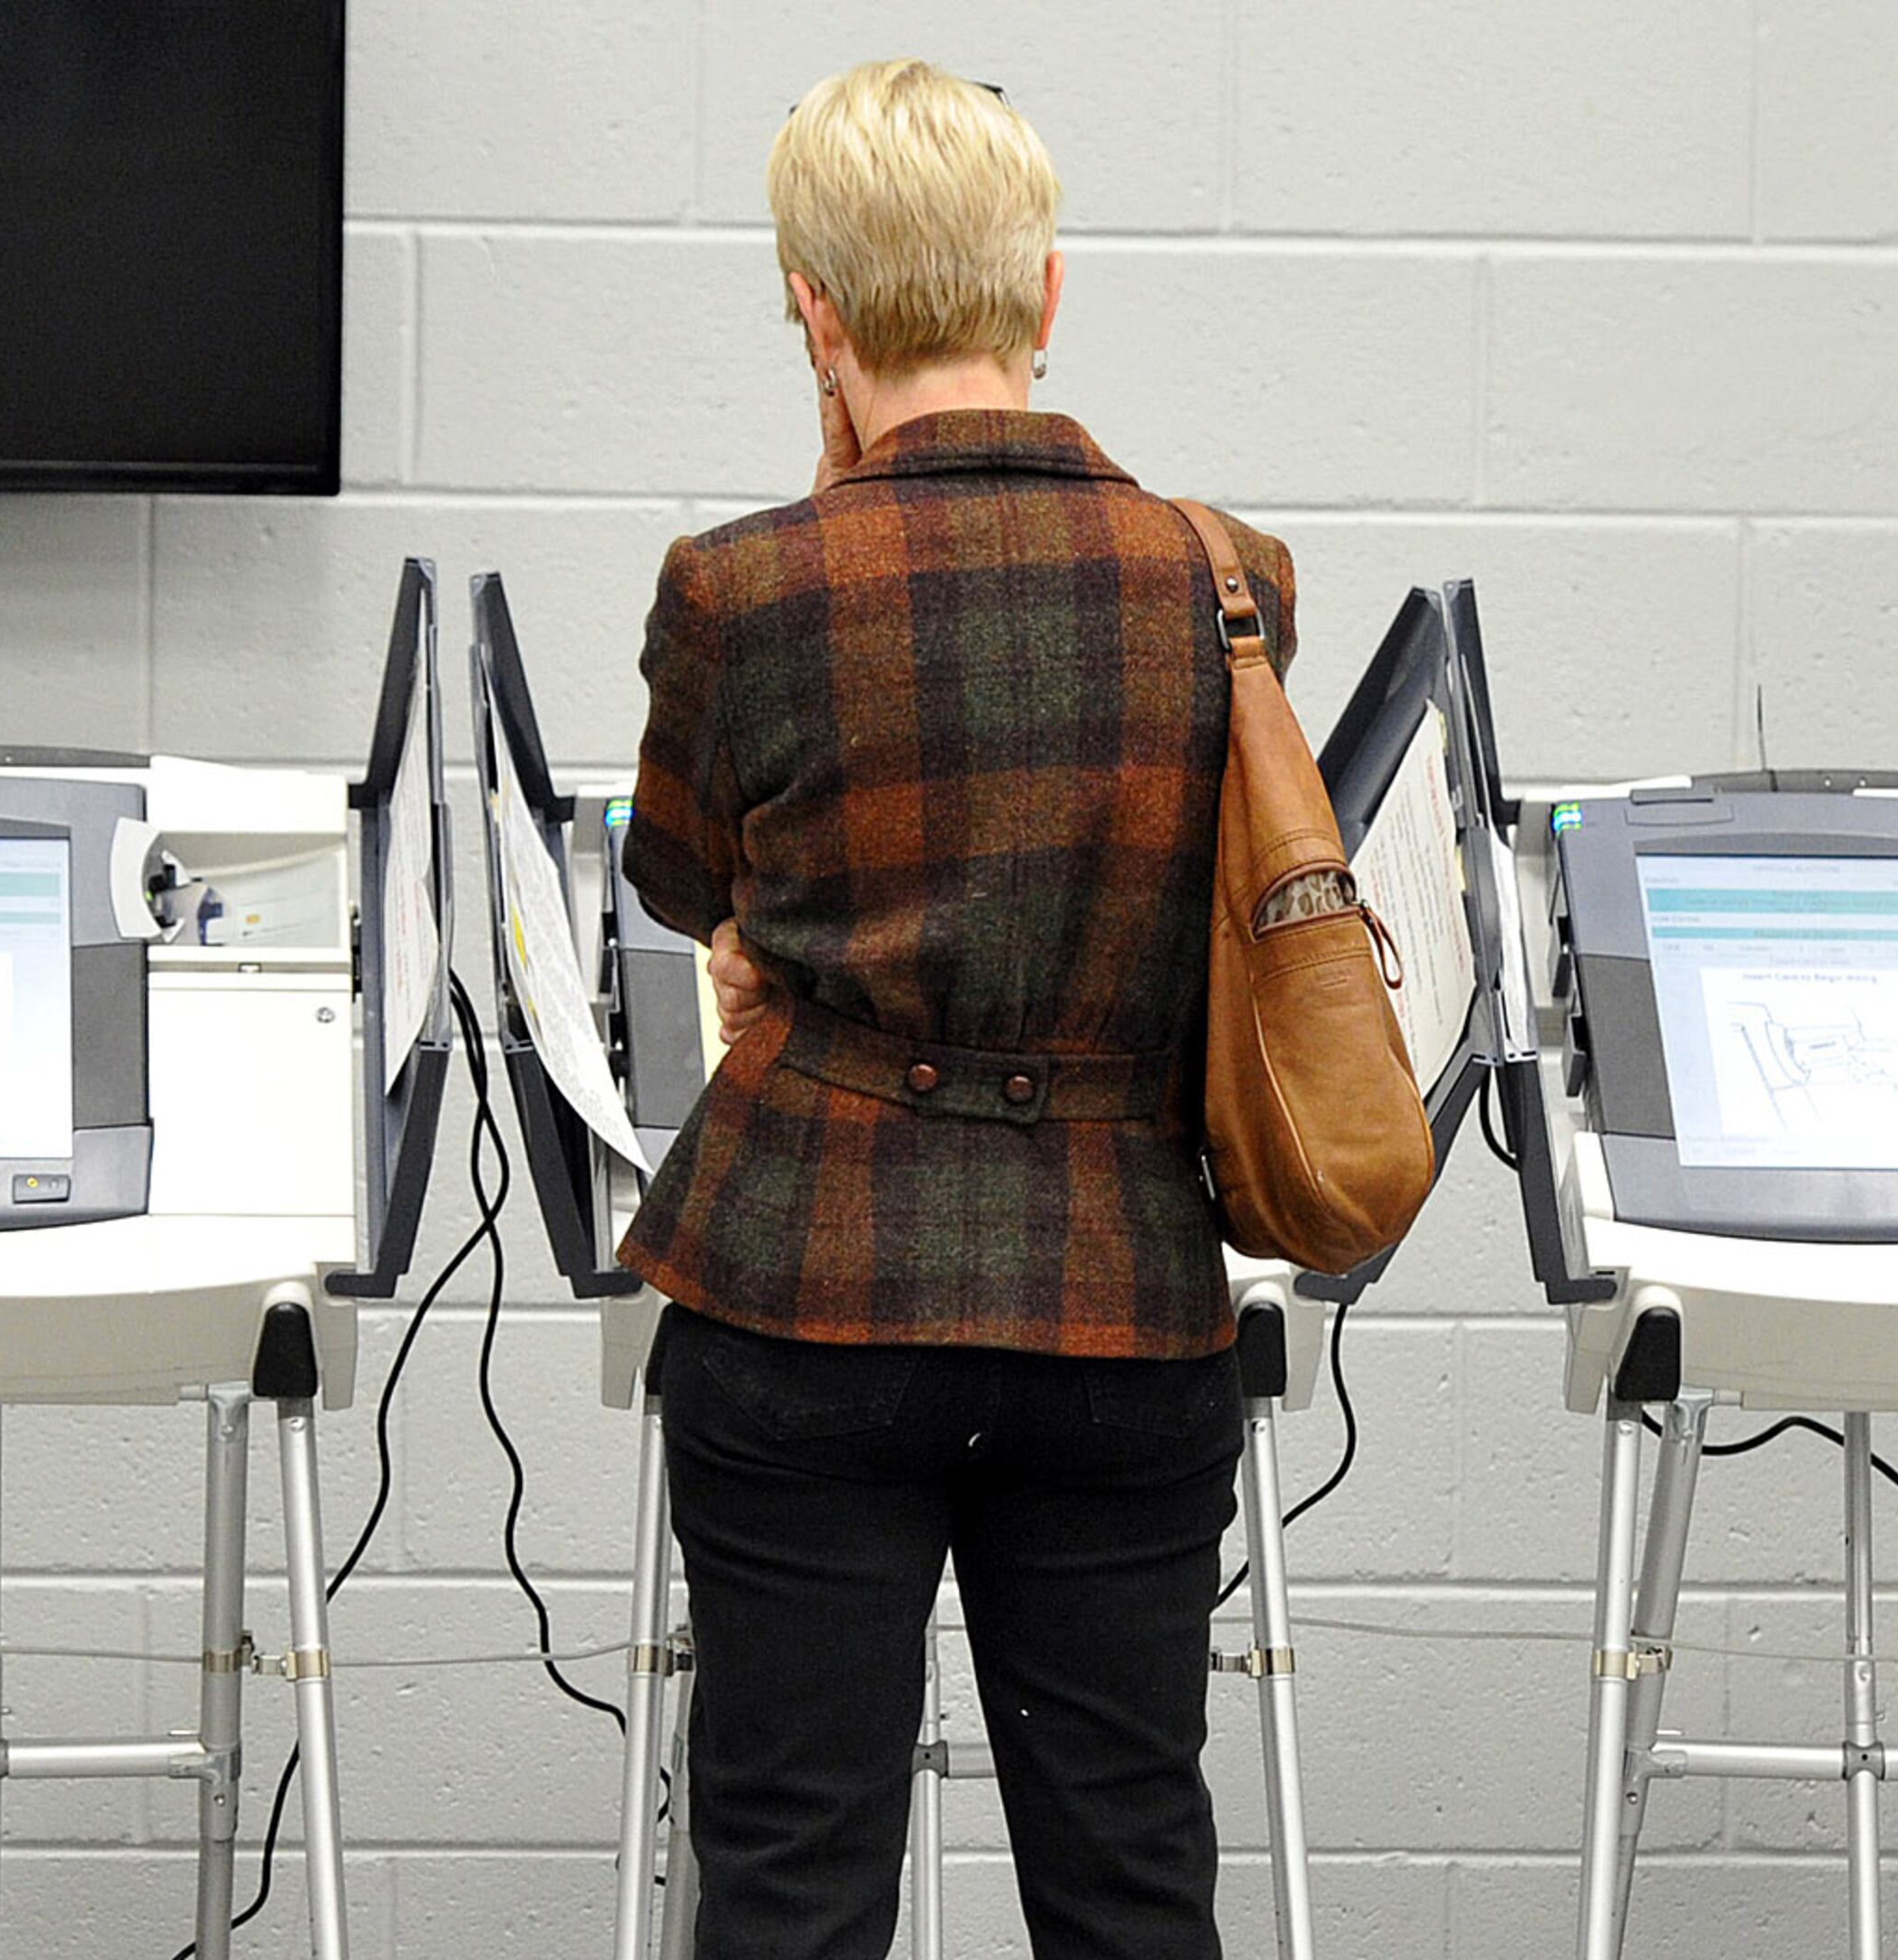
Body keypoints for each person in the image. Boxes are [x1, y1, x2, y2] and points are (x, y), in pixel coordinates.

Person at [616, 57, 1295, 1960]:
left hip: (806, 1291)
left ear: (812, 313)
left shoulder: (741, 589)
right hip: (1122, 1299)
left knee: (790, 1871)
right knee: (1130, 1874)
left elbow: (680, 884)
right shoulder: (1223, 581)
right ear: (1047, 296)